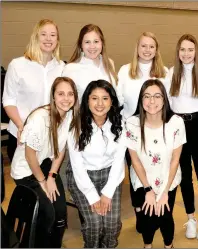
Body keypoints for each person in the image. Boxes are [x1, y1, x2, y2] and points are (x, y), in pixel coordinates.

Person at [10, 76, 80, 248]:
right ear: (53, 96)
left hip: (45, 165)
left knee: (60, 213)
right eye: (61, 94)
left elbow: (60, 150)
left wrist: (52, 176)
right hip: (26, 170)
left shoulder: (70, 116)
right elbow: (29, 155)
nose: (66, 98)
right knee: (47, 212)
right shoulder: (40, 118)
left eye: (70, 94)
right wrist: (42, 181)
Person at [166, 34, 198, 241]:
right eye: (182, 50)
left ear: (196, 52)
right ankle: (191, 218)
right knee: (184, 177)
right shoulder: (171, 74)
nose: (186, 54)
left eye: (190, 49)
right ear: (178, 52)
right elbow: (167, 108)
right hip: (178, 128)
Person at [117, 31, 169, 232]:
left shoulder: (164, 72)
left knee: (156, 170)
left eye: (151, 46)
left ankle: (158, 205)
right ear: (137, 48)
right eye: (143, 46)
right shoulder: (125, 71)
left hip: (157, 131)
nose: (147, 50)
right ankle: (139, 209)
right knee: (135, 172)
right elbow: (119, 101)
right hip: (133, 130)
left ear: (156, 50)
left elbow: (168, 103)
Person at [124, 79, 186, 248]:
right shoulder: (132, 123)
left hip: (168, 179)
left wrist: (164, 191)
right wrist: (148, 189)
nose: (152, 101)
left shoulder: (176, 123)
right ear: (141, 100)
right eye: (147, 96)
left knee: (165, 216)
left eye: (157, 96)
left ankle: (169, 245)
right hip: (143, 180)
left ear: (164, 99)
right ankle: (147, 245)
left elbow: (175, 160)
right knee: (147, 219)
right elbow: (134, 160)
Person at [66, 80, 126, 248]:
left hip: (110, 176)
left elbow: (119, 161)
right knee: (94, 224)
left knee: (112, 224)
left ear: (112, 101)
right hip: (83, 177)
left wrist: (107, 193)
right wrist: (93, 196)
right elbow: (77, 166)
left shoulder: (120, 124)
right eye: (94, 98)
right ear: (87, 101)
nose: (100, 104)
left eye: (105, 98)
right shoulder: (75, 125)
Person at [2, 19, 65, 162]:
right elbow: (8, 99)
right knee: (25, 183)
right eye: (43, 34)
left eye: (53, 35)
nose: (48, 38)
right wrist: (20, 125)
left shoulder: (61, 68)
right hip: (22, 135)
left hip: (50, 136)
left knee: (48, 180)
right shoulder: (17, 65)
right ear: (35, 37)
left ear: (57, 40)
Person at [62, 24, 117, 101]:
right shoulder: (70, 68)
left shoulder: (109, 63)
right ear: (81, 45)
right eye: (87, 42)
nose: (92, 46)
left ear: (102, 43)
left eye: (96, 41)